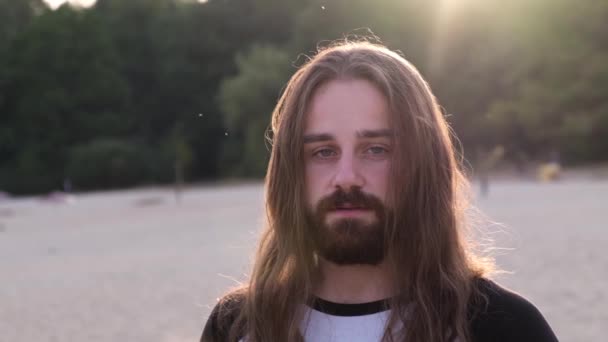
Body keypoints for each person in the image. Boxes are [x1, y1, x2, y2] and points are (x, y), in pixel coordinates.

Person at [201, 41, 557, 342]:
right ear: (290, 172)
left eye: (376, 149)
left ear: (425, 164)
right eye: (322, 152)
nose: (346, 177)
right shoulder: (240, 328)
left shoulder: (502, 327)